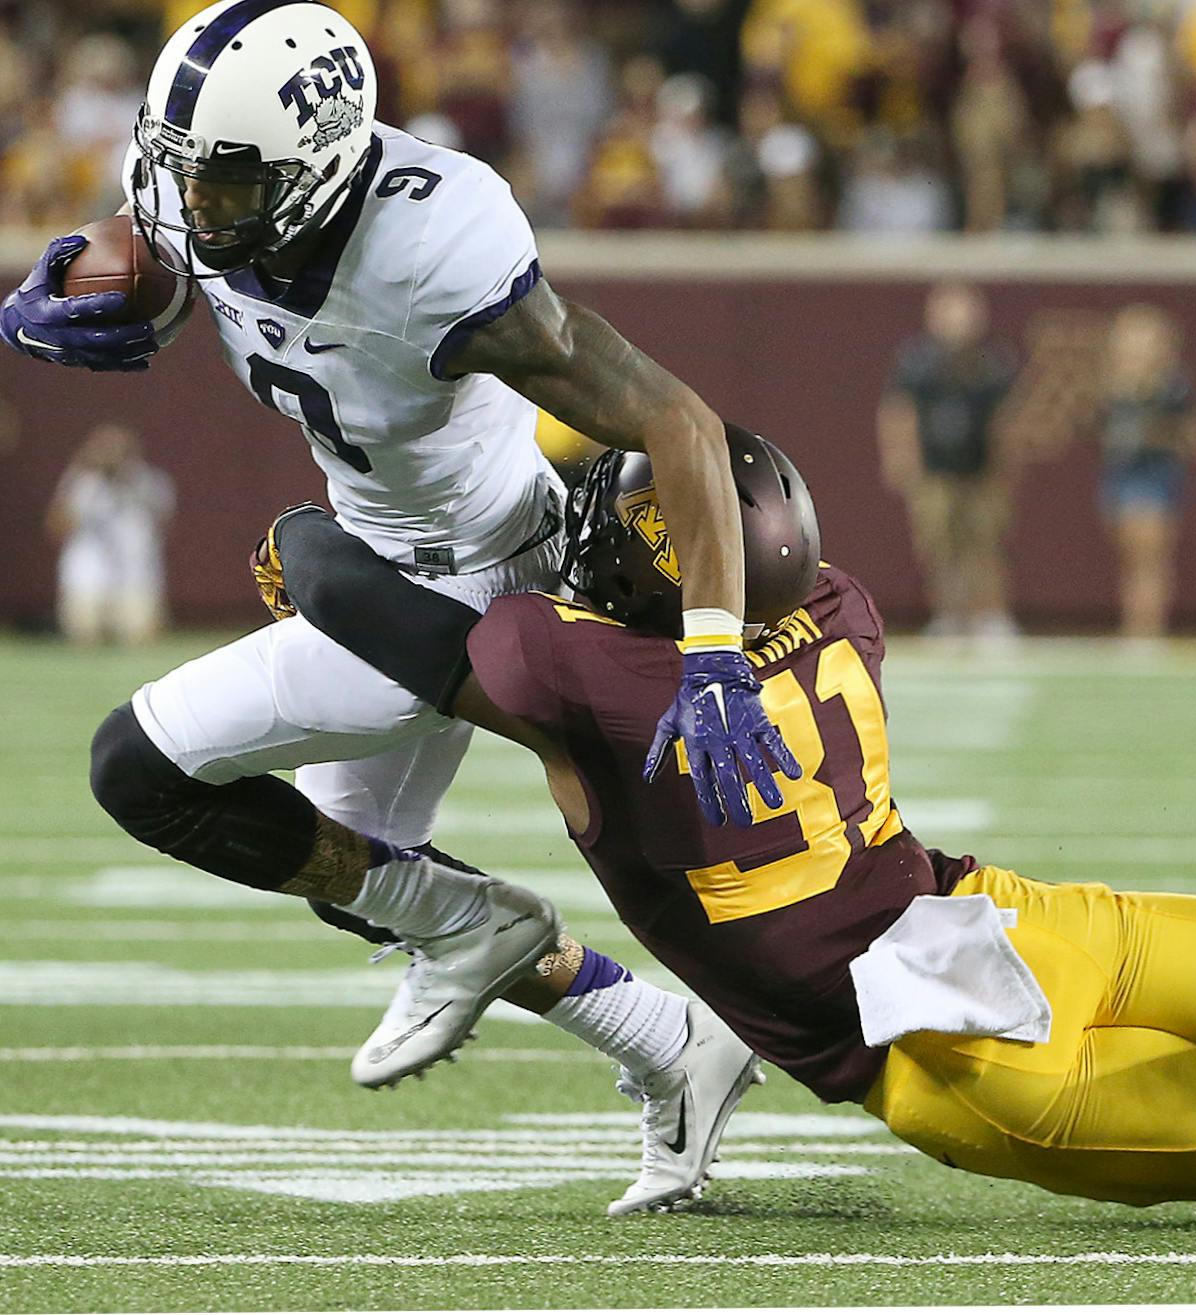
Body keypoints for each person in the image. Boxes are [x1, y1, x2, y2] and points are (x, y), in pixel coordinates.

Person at [3, 0, 790, 1198]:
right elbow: (170, 245)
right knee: (356, 875)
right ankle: (671, 1044)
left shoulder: (430, 250)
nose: (183, 205)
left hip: (470, 587)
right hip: (375, 561)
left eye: (219, 183)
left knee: (138, 768)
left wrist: (714, 649)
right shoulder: (219, 195)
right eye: (174, 170)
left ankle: (486, 933)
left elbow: (676, 419)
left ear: (313, 172)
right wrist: (91, 280)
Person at [270, 427, 1196, 1209]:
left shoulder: (569, 674)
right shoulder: (835, 600)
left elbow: (366, 609)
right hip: (1009, 919)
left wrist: (298, 537)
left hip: (941, 1056)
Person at [877, 281, 1018, 644]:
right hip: (935, 469)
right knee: (939, 544)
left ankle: (990, 615)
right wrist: (901, 457)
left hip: (980, 467)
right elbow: (899, 410)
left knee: (984, 542)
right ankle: (949, 614)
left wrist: (1006, 465)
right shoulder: (918, 361)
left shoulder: (992, 362)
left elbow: (1007, 418)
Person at [1097, 303, 1196, 641]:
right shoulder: (1112, 389)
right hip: (1121, 476)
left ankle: (1146, 630)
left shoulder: (1172, 388)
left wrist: (1163, 434)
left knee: (1149, 556)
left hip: (1154, 476)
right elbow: (1100, 432)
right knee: (1130, 557)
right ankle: (1135, 626)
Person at [46, 423, 175, 645]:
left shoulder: (147, 481)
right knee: (84, 631)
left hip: (134, 570)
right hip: (89, 570)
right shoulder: (82, 483)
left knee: (139, 633)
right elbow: (57, 526)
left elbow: (163, 521)